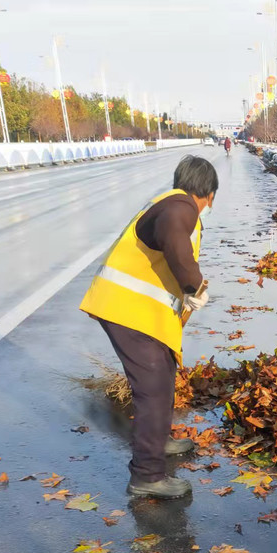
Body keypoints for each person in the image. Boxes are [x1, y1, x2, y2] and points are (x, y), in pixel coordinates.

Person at [79, 154, 218, 499]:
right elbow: (174, 236)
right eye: (211, 199)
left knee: (164, 373)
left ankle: (159, 440)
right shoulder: (180, 207)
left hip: (141, 313)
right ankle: (147, 476)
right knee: (152, 388)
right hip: (126, 311)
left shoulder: (170, 202)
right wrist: (194, 285)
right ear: (208, 194)